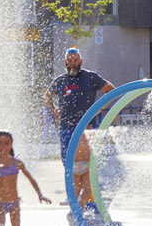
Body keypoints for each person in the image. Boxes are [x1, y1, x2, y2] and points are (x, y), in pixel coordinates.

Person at [44, 48, 115, 208]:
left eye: (75, 59)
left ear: (81, 61)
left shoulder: (91, 77)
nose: (72, 63)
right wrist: (54, 109)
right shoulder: (60, 80)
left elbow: (111, 90)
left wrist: (98, 109)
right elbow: (47, 96)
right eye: (69, 60)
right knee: (68, 162)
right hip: (66, 128)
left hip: (87, 128)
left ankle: (90, 197)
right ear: (65, 62)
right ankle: (72, 195)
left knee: (89, 162)